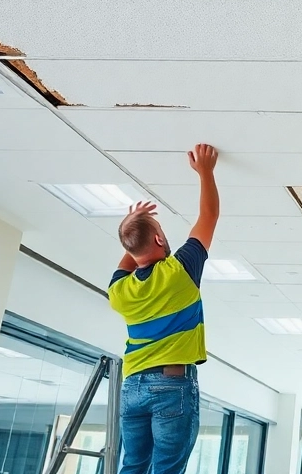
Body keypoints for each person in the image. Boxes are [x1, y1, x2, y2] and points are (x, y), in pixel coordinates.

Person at [108, 144, 220, 474]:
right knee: (166, 468)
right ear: (159, 239)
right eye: (160, 232)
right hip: (170, 385)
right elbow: (208, 217)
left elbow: (131, 253)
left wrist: (132, 225)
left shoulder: (119, 292)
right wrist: (205, 171)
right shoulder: (179, 271)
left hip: (133, 386)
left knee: (133, 466)